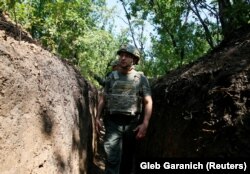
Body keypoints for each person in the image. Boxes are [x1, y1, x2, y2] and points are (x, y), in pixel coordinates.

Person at [95, 44, 153, 174]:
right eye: (121, 55)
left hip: (132, 124)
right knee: (112, 158)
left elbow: (148, 101)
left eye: (127, 56)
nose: (123, 58)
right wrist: (97, 117)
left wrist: (145, 123)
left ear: (134, 59)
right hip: (112, 122)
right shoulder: (111, 77)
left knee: (127, 159)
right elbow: (103, 98)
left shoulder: (141, 79)